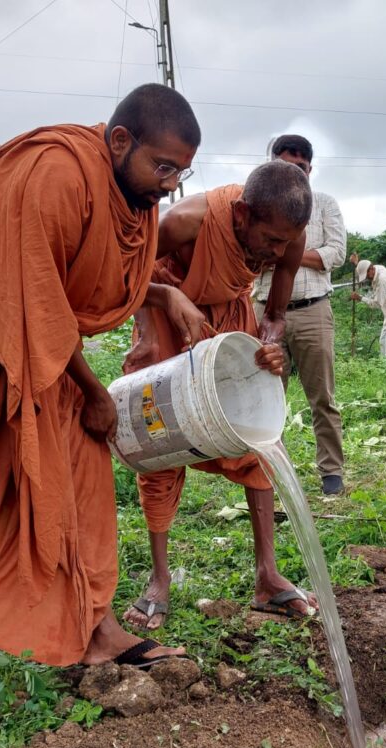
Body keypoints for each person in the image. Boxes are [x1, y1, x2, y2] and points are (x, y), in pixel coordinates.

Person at [0, 84, 209, 701]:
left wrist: (161, 290)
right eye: (164, 166)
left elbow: (80, 286)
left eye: (183, 171)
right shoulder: (56, 173)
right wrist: (93, 390)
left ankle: (102, 628)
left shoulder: (132, 196)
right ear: (120, 141)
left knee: (82, 476)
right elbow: (31, 293)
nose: (172, 185)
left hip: (43, 342)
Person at [121, 160, 321, 630]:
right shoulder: (185, 222)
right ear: (242, 213)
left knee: (258, 441)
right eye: (269, 240)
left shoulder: (290, 238)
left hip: (231, 317)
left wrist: (270, 344)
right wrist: (149, 333)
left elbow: (274, 313)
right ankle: (159, 578)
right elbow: (130, 272)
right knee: (160, 440)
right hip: (168, 311)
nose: (276, 252)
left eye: (285, 242)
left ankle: (267, 576)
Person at [253, 135, 348, 496]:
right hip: (263, 311)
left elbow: (335, 254)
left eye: (302, 168)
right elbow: (249, 260)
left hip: (312, 311)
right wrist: (299, 251)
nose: (295, 173)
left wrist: (282, 252)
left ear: (310, 170)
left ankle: (331, 473)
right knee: (265, 398)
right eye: (286, 166)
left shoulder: (324, 205)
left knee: (322, 396)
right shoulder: (256, 206)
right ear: (271, 166)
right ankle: (271, 476)